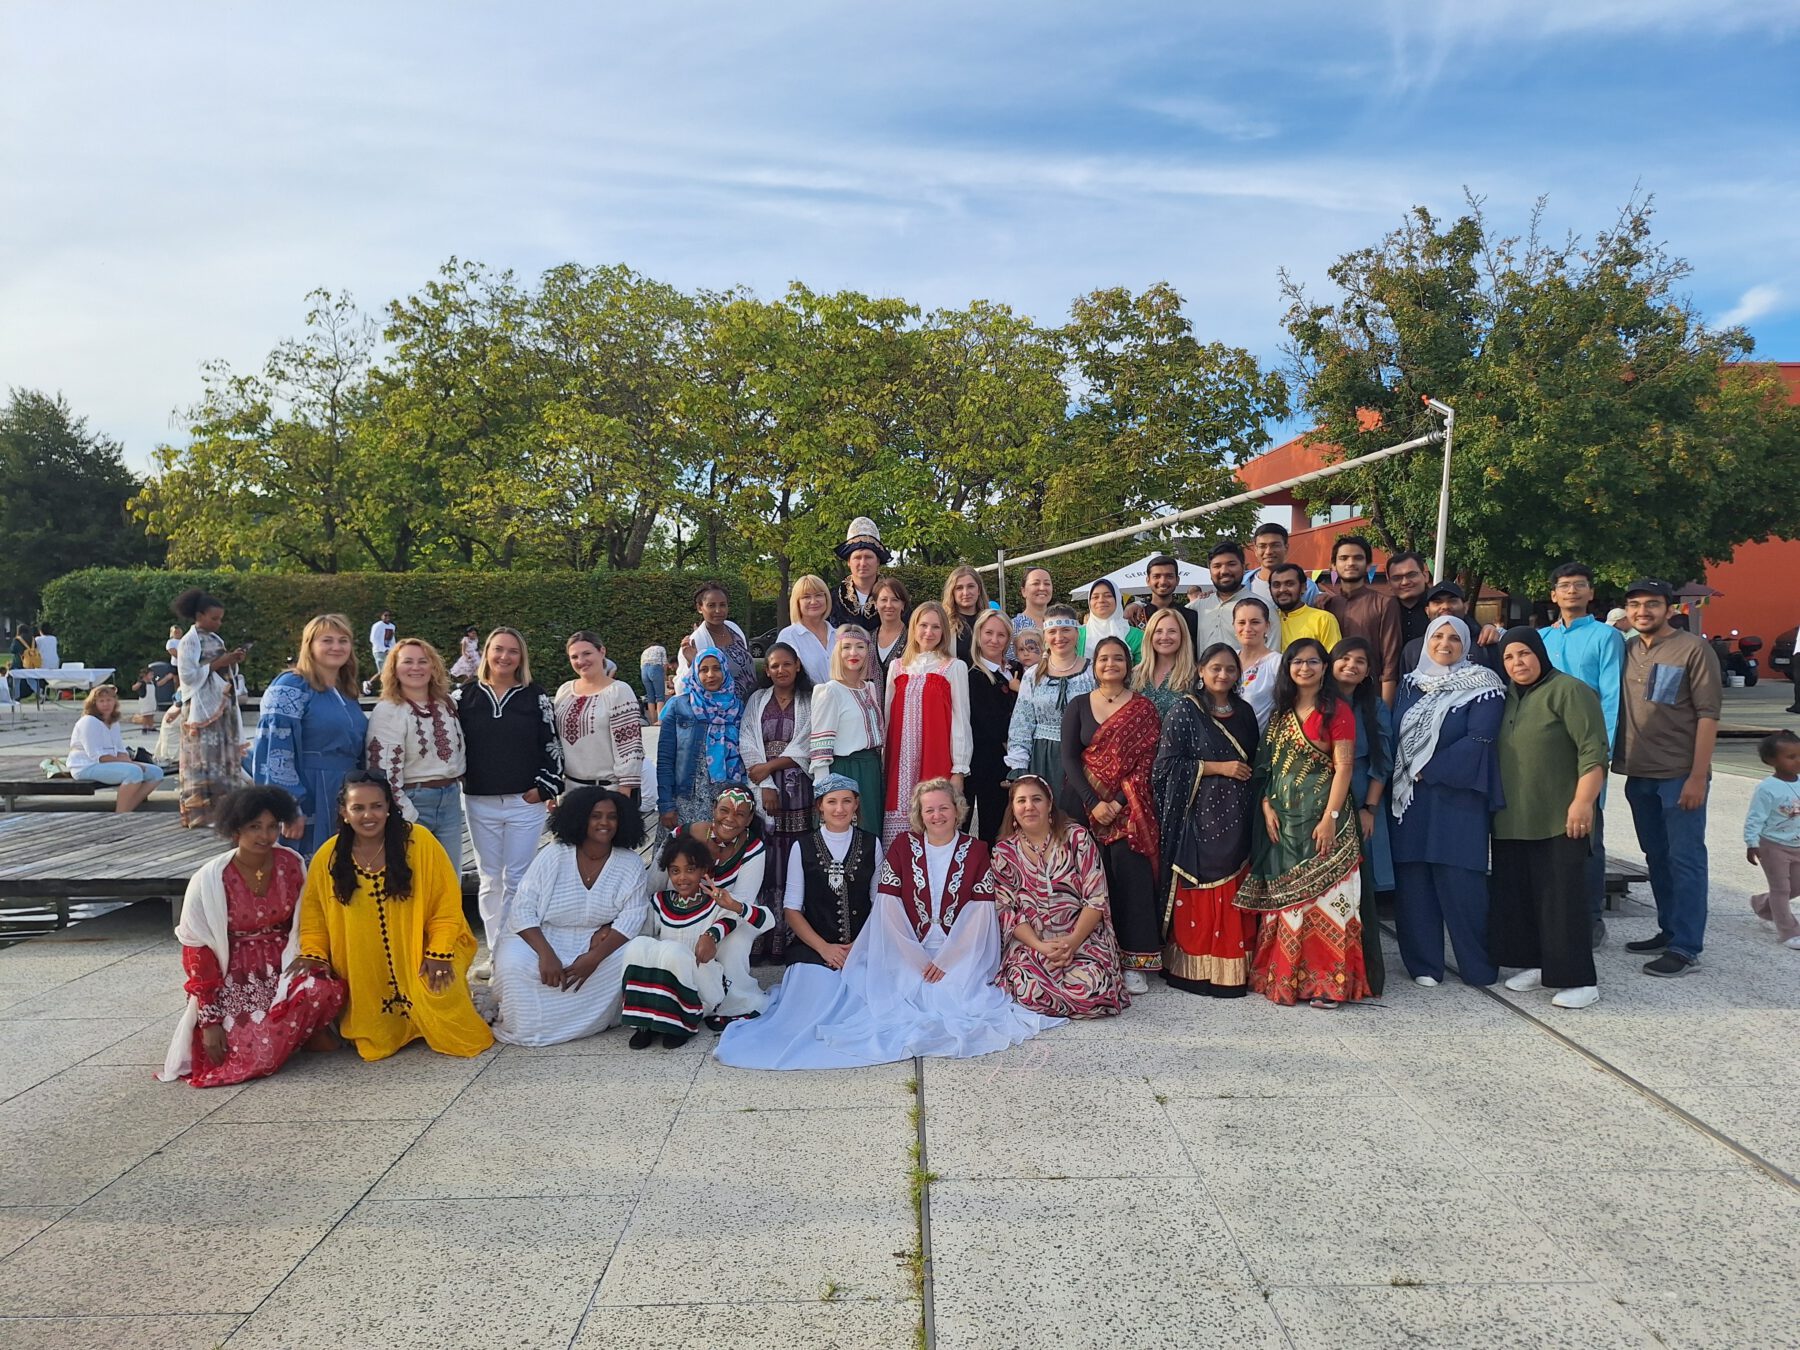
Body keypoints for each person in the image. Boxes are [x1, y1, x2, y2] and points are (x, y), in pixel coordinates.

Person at [716, 778, 1062, 1069]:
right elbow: (890, 909)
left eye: (944, 807)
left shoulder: (976, 850)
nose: (937, 815)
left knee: (956, 998)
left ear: (958, 810)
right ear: (919, 815)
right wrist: (916, 959)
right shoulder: (902, 847)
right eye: (929, 809)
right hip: (906, 948)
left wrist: (946, 960)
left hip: (961, 952)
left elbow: (979, 914)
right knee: (902, 993)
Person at [293, 771, 494, 1060]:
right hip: (363, 968)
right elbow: (314, 919)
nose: (368, 815)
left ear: (389, 806)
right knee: (375, 1035)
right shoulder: (329, 856)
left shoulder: (419, 841)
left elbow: (446, 907)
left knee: (442, 997)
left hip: (425, 951)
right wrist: (314, 955)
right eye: (358, 808)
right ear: (344, 813)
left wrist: (439, 952)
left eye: (376, 806)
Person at [157, 786, 346, 1087]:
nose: (266, 835)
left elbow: (309, 919)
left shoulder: (291, 863)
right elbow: (197, 949)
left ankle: (308, 1033)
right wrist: (210, 1020)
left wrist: (312, 956)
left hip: (284, 962)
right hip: (234, 976)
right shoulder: (209, 878)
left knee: (325, 989)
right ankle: (289, 1038)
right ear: (235, 829)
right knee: (260, 1058)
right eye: (255, 827)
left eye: (273, 826)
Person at [1236, 639, 1369, 1007]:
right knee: (1288, 905)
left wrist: (1331, 818)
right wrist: (1265, 805)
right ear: (1288, 667)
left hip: (1322, 824)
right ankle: (1283, 977)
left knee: (1327, 904)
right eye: (1297, 661)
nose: (1305, 668)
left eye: (1313, 661)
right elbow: (1267, 767)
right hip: (1283, 823)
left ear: (1324, 668)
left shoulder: (1336, 711)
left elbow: (1344, 768)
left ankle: (1327, 985)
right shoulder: (1281, 713)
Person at [1490, 627, 1608, 1009]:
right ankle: (1537, 963)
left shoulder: (1569, 691)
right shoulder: (1506, 697)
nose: (1517, 663)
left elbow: (1594, 752)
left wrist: (1583, 802)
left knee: (1562, 899)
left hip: (1560, 816)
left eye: (1524, 654)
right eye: (1509, 657)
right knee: (1522, 897)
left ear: (1540, 653)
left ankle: (1579, 979)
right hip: (1513, 818)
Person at [1390, 616, 1506, 988]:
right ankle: (1424, 964)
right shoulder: (1410, 685)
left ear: (1468, 643)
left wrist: (1425, 768)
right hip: (1409, 801)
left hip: (1458, 798)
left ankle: (1478, 966)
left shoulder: (1484, 684)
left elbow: (1480, 739)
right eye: (1437, 636)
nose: (1445, 643)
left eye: (1454, 637)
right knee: (1414, 881)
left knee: (1462, 883)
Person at [1614, 578, 1721, 978]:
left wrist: (1697, 776)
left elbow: (1708, 715)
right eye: (1636, 604)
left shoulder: (1693, 649)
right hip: (1638, 772)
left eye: (1653, 604)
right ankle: (1669, 928)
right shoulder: (1626, 651)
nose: (1643, 611)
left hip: (1679, 774)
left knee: (1686, 859)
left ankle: (1686, 945)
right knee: (1657, 856)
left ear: (1670, 609)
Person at [490, 787, 651, 1046]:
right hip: (542, 937)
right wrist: (546, 955)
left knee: (634, 952)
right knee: (514, 964)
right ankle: (529, 1026)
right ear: (580, 818)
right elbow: (522, 910)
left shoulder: (629, 862)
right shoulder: (554, 855)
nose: (604, 823)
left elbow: (633, 917)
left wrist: (594, 958)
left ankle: (591, 1021)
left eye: (612, 817)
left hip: (596, 943)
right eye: (595, 816)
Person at [454, 626, 563, 971]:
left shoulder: (535, 696)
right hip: (479, 801)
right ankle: (496, 949)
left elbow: (552, 743)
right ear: (486, 652)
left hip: (523, 802)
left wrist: (545, 788)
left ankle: (511, 952)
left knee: (519, 878)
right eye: (498, 649)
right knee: (489, 877)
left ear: (522, 657)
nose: (504, 657)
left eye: (512, 651)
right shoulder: (463, 697)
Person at [1152, 643, 1258, 997]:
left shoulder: (1244, 712)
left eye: (1230, 669)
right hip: (1196, 814)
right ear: (1200, 670)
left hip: (1237, 816)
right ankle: (1192, 965)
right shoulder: (1186, 710)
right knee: (1197, 887)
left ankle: (1231, 967)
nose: (1222, 675)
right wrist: (1217, 768)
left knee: (1232, 887)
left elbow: (1254, 765)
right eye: (1215, 668)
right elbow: (1165, 767)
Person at [1057, 635, 1162, 988]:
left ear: (1127, 665)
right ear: (1095, 664)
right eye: (1103, 659)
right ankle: (1090, 953)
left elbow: (1147, 761)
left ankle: (1135, 961)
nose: (1110, 664)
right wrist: (1093, 802)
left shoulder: (1143, 709)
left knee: (1130, 879)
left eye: (1118, 658)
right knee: (1086, 882)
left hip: (1128, 809)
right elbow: (1069, 757)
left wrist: (1116, 802)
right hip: (1083, 806)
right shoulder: (1079, 705)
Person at [992, 773, 1130, 1016]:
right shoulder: (1004, 852)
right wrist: (1041, 947)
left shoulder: (1077, 838)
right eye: (1021, 801)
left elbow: (1096, 898)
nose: (1029, 807)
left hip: (1082, 938)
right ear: (1012, 809)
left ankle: (1063, 996)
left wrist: (1072, 941)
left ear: (1049, 805)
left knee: (1092, 989)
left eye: (1036, 799)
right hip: (1033, 943)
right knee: (1029, 989)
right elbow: (1007, 912)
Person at [1540, 562, 1627, 946]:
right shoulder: (1541, 637)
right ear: (1553, 595)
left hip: (1584, 750)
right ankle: (1548, 911)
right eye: (1564, 586)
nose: (1572, 591)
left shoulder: (1606, 637)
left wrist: (1598, 755)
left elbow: (1611, 698)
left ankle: (1590, 917)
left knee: (1586, 835)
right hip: (1544, 752)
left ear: (1591, 592)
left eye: (1579, 585)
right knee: (1544, 834)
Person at [620, 834, 757, 1047]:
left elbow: (756, 920)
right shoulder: (659, 901)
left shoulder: (717, 902)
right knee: (637, 946)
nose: (682, 877)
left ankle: (683, 1023)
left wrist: (712, 935)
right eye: (675, 871)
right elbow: (644, 937)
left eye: (690, 870)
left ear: (703, 870)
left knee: (673, 953)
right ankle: (644, 1022)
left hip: (701, 982)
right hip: (665, 984)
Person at [250, 613, 367, 858]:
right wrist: (288, 806)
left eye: (343, 640)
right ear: (310, 645)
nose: (336, 646)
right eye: (327, 640)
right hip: (310, 789)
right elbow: (274, 748)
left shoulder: (347, 692)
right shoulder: (292, 685)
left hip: (346, 792)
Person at [656, 785, 772, 1021]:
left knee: (734, 944)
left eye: (740, 814)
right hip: (682, 909)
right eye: (724, 810)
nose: (730, 819)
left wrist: (712, 934)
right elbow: (654, 883)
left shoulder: (753, 848)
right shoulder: (682, 835)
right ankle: (677, 1000)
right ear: (713, 809)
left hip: (730, 915)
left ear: (750, 819)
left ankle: (732, 1005)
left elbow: (742, 902)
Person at [366, 637, 467, 870]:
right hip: (413, 799)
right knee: (413, 879)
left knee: (450, 878)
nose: (416, 667)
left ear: (433, 667)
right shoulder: (389, 710)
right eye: (407, 661)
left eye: (423, 661)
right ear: (394, 668)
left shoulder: (447, 704)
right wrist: (405, 813)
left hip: (450, 799)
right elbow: (382, 773)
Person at [741, 641, 814, 956]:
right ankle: (763, 942)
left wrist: (772, 765)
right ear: (766, 670)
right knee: (767, 864)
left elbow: (809, 741)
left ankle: (792, 940)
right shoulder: (757, 700)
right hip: (763, 792)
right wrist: (767, 783)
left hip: (799, 792)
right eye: (774, 665)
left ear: (797, 665)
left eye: (786, 664)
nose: (781, 670)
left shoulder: (810, 700)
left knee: (796, 861)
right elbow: (747, 740)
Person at [1331, 636, 1394, 994]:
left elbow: (1382, 760)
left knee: (1360, 888)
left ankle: (1360, 966)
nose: (1351, 666)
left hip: (1361, 802)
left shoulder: (1372, 706)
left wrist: (1369, 808)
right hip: (1320, 805)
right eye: (1345, 659)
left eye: (1360, 661)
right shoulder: (1318, 701)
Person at [883, 601, 973, 844]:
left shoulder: (953, 667)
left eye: (935, 627)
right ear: (913, 628)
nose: (929, 632)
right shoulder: (897, 667)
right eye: (923, 625)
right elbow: (887, 718)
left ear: (944, 631)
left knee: (934, 818)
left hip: (936, 759)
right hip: (899, 763)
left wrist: (959, 769)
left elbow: (960, 720)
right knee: (899, 827)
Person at [781, 773, 881, 967]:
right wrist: (824, 948)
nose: (839, 809)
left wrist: (860, 944)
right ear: (820, 805)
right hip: (813, 947)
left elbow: (880, 904)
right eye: (831, 801)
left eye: (847, 801)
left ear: (856, 804)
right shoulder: (802, 846)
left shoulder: (872, 844)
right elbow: (791, 909)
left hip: (863, 944)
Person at [173, 589, 247, 829]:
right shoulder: (189, 641)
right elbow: (187, 675)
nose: (218, 623)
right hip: (202, 708)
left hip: (221, 705)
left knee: (222, 756)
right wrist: (219, 663)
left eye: (220, 619)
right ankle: (201, 813)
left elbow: (220, 668)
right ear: (199, 615)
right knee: (202, 757)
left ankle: (224, 812)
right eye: (214, 618)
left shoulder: (215, 639)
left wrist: (232, 661)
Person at [1004, 604, 1093, 801]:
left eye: (1066, 630)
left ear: (1077, 633)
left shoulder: (1092, 672)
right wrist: (1019, 765)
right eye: (1052, 631)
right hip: (1043, 756)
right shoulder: (1034, 675)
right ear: (1045, 636)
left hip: (1085, 758)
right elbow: (1022, 722)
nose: (1059, 637)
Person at [657, 645, 745, 831]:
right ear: (695, 673)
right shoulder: (679, 706)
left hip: (725, 799)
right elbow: (665, 759)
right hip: (687, 798)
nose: (710, 675)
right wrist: (666, 804)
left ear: (725, 670)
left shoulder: (738, 708)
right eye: (703, 670)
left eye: (716, 668)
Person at [808, 626, 886, 836]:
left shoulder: (869, 688)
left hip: (870, 769)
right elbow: (820, 747)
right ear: (838, 652)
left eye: (860, 647)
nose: (854, 653)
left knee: (870, 833)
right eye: (847, 647)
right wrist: (825, 789)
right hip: (845, 770)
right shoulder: (830, 691)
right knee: (846, 832)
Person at [555, 631, 643, 798]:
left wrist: (625, 793)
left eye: (587, 653)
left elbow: (630, 746)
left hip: (608, 791)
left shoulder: (618, 691)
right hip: (569, 791)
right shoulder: (565, 691)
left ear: (602, 651)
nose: (581, 661)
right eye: (574, 657)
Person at [1321, 535, 1403, 704]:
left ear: (1367, 565)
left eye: (1358, 558)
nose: (1350, 563)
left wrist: (1385, 710)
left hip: (1370, 695)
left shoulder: (1384, 603)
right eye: (1343, 558)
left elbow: (1390, 662)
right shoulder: (1325, 605)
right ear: (1333, 566)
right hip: (1329, 695)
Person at [966, 609, 1018, 845]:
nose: (994, 640)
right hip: (988, 765)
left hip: (1014, 762)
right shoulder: (973, 675)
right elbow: (993, 724)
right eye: (989, 633)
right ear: (979, 635)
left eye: (1001, 635)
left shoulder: (1016, 670)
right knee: (992, 831)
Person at [68, 684, 165, 812]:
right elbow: (98, 756)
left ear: (114, 701)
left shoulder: (113, 722)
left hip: (109, 762)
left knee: (156, 772)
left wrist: (131, 762)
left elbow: (120, 750)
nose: (105, 704)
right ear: (94, 703)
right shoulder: (89, 721)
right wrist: (132, 765)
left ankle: (127, 808)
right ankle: (120, 813)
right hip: (86, 766)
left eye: (109, 700)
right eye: (101, 701)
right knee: (133, 772)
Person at [1745, 730, 1800, 949]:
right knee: (1781, 889)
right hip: (1773, 846)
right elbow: (1755, 817)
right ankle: (1788, 932)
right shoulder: (1767, 788)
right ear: (1771, 761)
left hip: (1797, 844)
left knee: (1795, 886)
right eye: (1791, 757)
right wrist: (1751, 843)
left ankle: (1761, 904)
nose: (1798, 761)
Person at [675, 580, 757, 703]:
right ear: (699, 608)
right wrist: (691, 664)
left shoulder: (734, 629)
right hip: (723, 714)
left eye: (722, 605)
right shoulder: (695, 642)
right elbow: (680, 689)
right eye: (711, 605)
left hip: (750, 705)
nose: (718, 610)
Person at [1193, 540, 1280, 654]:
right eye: (1217, 566)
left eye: (1231, 564)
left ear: (1243, 568)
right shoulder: (1197, 607)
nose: (1224, 571)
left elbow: (1272, 655)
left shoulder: (1263, 608)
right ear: (1210, 571)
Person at [1400, 582, 1499, 671]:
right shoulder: (1412, 649)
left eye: (1452, 601)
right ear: (1427, 611)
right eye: (1437, 602)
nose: (1445, 607)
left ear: (1465, 607)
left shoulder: (1485, 643)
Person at [1131, 607, 1195, 722]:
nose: (1165, 637)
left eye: (1172, 631)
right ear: (1150, 636)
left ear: (1182, 636)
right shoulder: (1134, 675)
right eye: (1158, 631)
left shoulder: (1194, 676)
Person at [1233, 596, 1283, 732]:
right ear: (1234, 626)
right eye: (1241, 622)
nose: (1247, 628)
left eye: (1255, 622)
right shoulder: (1227, 659)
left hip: (1260, 747)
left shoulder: (1277, 663)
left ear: (1267, 626)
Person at [777, 573, 837, 686]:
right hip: (809, 701)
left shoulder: (839, 635)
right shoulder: (789, 636)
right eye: (806, 597)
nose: (813, 601)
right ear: (797, 602)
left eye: (818, 595)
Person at [1268, 563, 1343, 653]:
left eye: (1289, 584)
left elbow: (1334, 658)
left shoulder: (1323, 619)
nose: (1282, 589)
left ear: (1303, 587)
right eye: (1276, 585)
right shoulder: (1267, 619)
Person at [830, 517, 889, 630]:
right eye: (857, 557)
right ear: (848, 562)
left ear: (878, 561)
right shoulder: (832, 598)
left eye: (868, 557)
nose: (863, 563)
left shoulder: (893, 597)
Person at [1250, 522, 1322, 606]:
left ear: (1286, 548)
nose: (1268, 552)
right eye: (1262, 546)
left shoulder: (1308, 587)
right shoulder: (1241, 584)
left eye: (1275, 545)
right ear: (1255, 550)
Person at [1144, 553, 1200, 650]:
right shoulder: (1136, 616)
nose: (1163, 582)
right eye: (1156, 576)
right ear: (1148, 581)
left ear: (1177, 580)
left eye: (1169, 576)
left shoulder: (1191, 617)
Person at [1077, 577, 1140, 660]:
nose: (1101, 600)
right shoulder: (1077, 635)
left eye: (1108, 596)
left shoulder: (1137, 636)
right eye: (1095, 597)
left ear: (1117, 599)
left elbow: (1142, 670)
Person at [941, 564, 989, 667]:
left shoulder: (991, 621)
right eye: (959, 588)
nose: (966, 592)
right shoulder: (943, 624)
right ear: (952, 592)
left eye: (970, 586)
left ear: (979, 590)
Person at [870, 575, 911, 693]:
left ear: (903, 605)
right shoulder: (867, 639)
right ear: (875, 604)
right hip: (871, 708)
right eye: (883, 600)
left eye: (895, 600)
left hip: (902, 706)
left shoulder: (914, 639)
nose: (889, 605)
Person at [1386, 550, 1434, 648]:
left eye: (1411, 575)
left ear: (1425, 576)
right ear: (1389, 584)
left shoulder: (1440, 606)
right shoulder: (1384, 610)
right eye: (1397, 578)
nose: (1405, 582)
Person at [1012, 567, 1054, 644]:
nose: (1042, 588)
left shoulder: (1061, 623)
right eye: (1035, 583)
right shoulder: (1012, 628)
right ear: (1023, 591)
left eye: (1047, 584)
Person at [364, 610, 395, 696]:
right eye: (385, 615)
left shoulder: (392, 626)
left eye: (389, 616)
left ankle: (369, 683)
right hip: (379, 651)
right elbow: (373, 639)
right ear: (381, 616)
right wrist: (383, 649)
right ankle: (386, 690)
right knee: (383, 671)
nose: (387, 617)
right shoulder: (377, 626)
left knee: (389, 671)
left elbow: (392, 640)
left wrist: (394, 649)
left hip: (389, 651)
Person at [639, 640, 667, 722]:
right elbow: (664, 663)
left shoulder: (645, 651)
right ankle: (660, 720)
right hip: (655, 668)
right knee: (660, 696)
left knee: (650, 697)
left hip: (644, 671)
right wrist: (664, 674)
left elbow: (641, 665)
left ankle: (653, 720)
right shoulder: (661, 648)